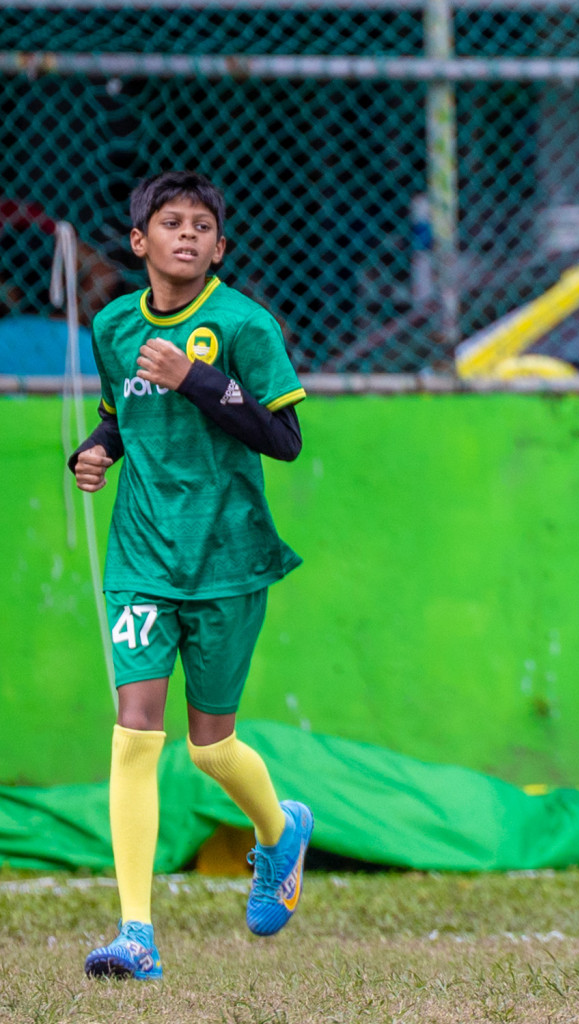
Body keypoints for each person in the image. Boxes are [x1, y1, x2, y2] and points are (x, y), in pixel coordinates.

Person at [68, 171, 314, 981]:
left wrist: (197, 380)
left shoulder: (244, 324)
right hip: (142, 557)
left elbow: (283, 438)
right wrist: (99, 449)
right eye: (169, 224)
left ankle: (279, 833)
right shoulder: (110, 326)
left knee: (211, 750)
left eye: (201, 226)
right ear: (139, 242)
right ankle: (135, 933)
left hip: (228, 558)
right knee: (135, 730)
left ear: (220, 245)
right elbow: (122, 416)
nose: (186, 236)